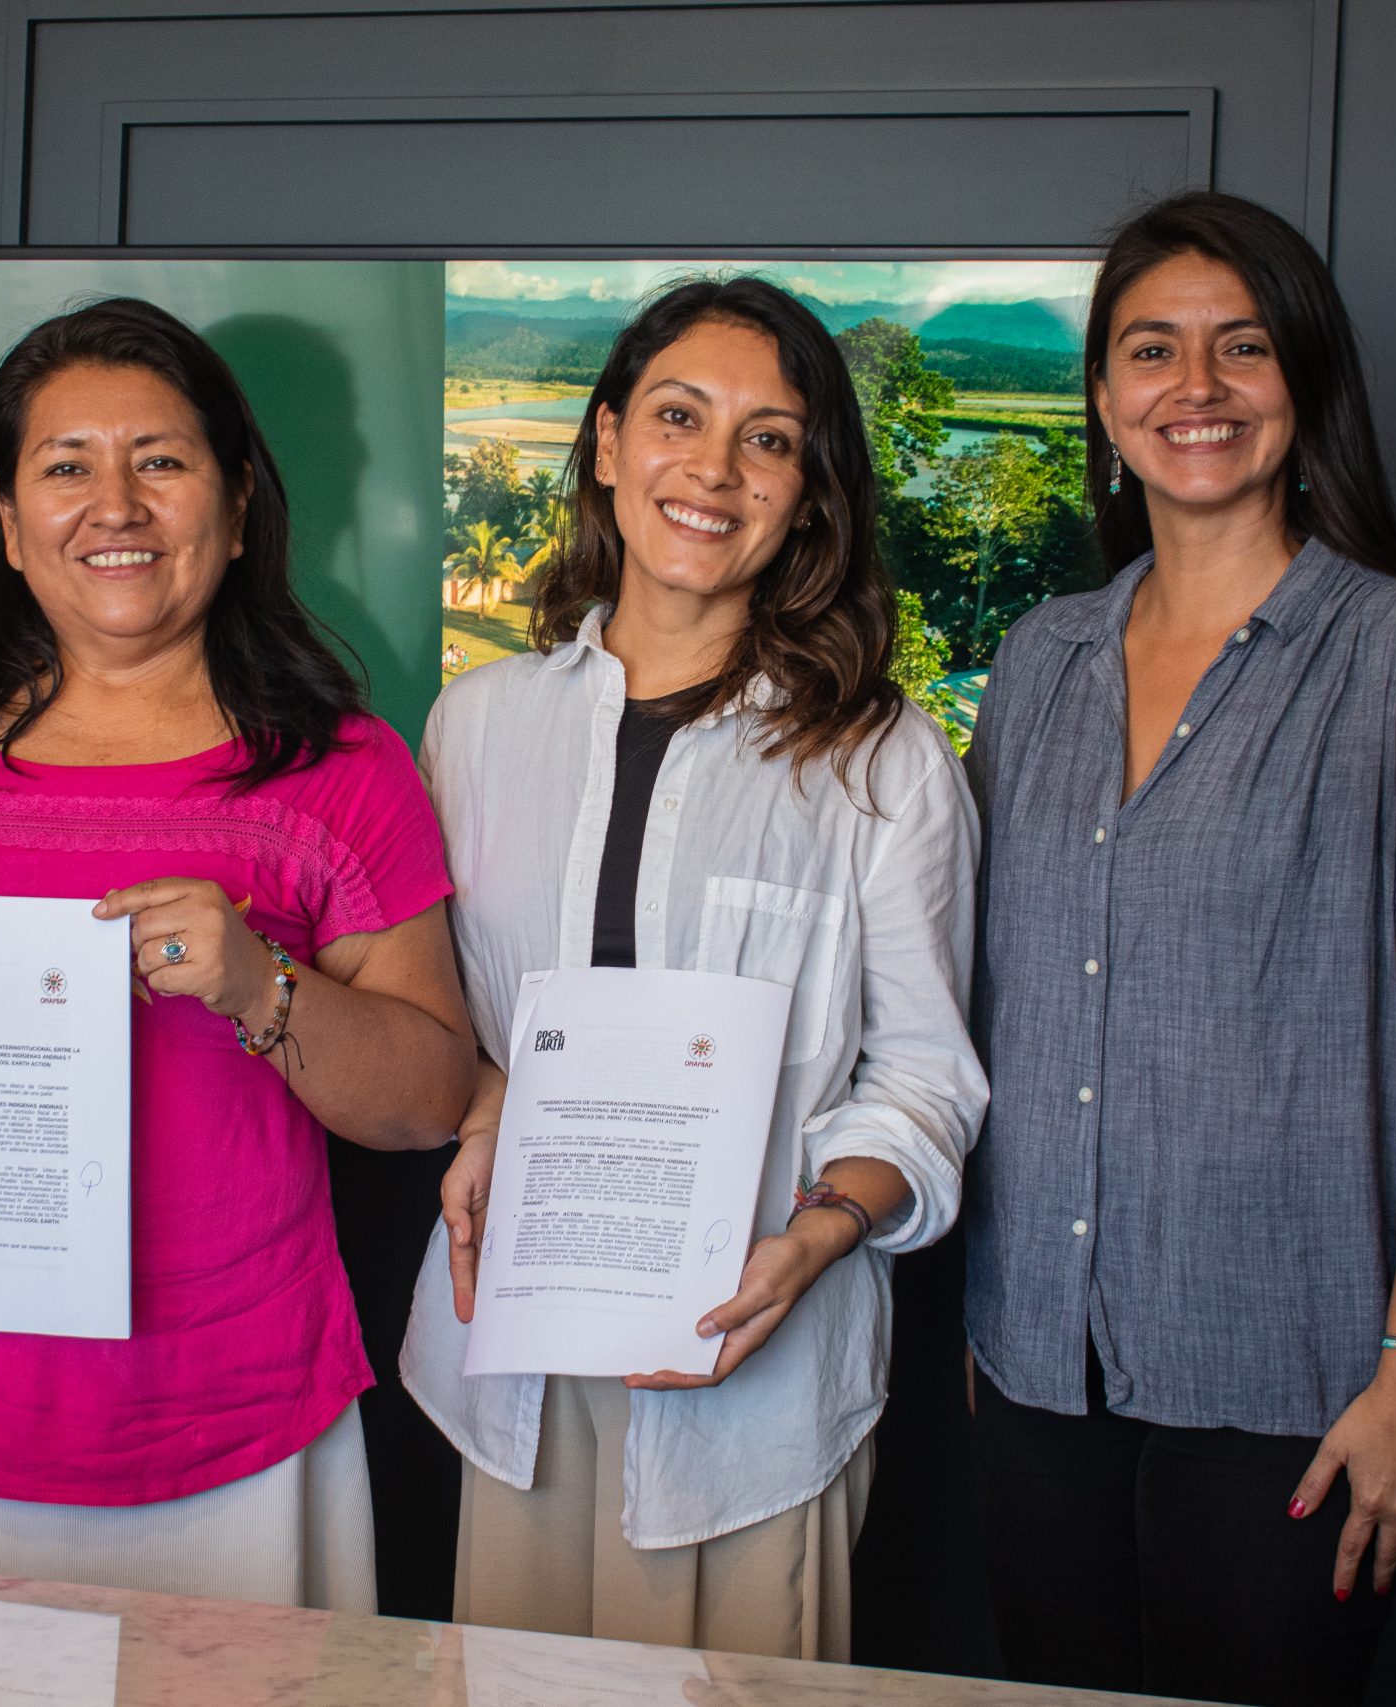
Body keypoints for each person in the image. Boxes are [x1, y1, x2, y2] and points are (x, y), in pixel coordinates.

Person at [0, 298, 475, 1610]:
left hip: (230, 1435)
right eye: (66, 466)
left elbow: (431, 1096)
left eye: (161, 461)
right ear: (5, 515)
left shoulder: (345, 766)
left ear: (235, 504)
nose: (114, 504)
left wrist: (263, 986)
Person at [961, 191, 1396, 1707]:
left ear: (1308, 387)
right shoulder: (1041, 660)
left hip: (1302, 1374)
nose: (1194, 388)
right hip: (1039, 1366)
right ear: (1102, 399)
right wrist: (1000, 1322)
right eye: (1152, 350)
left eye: (1244, 348)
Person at [401, 276, 988, 1662]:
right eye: (678, 416)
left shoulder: (880, 755)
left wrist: (820, 1233)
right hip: (515, 1352)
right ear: (606, 441)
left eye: (769, 439)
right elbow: (453, 1025)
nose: (713, 470)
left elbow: (926, 1075)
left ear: (811, 490)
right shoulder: (474, 727)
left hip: (754, 1371)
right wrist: (487, 1110)